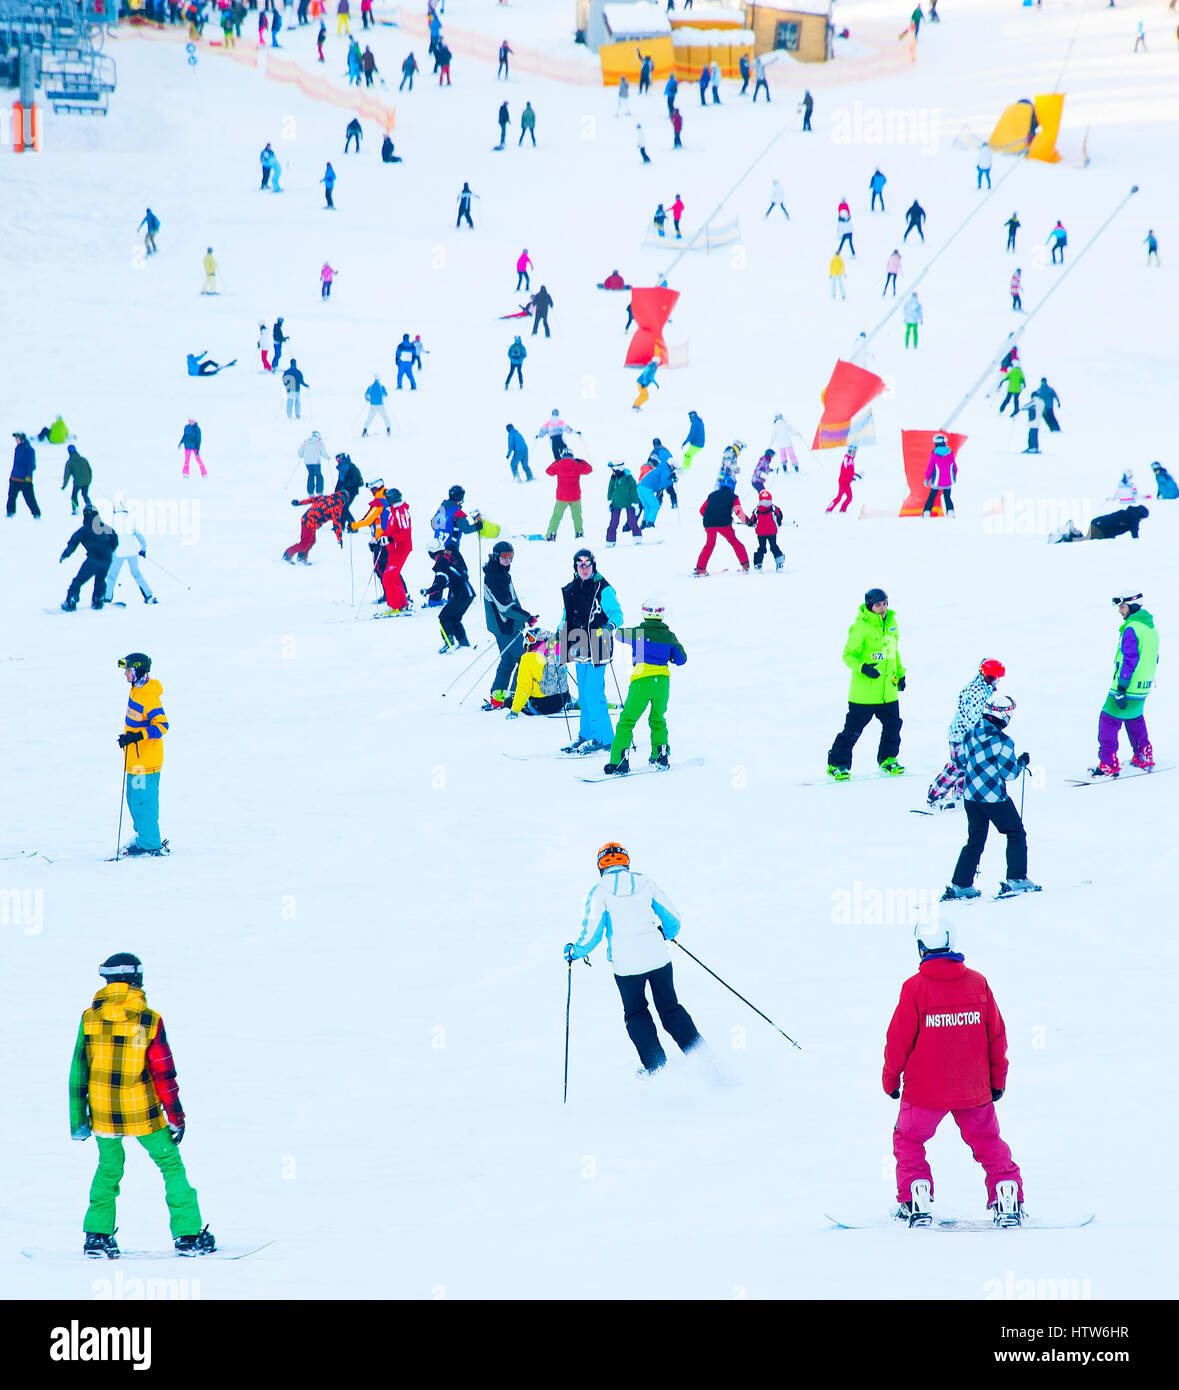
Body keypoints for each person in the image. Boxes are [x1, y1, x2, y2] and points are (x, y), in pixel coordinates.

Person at [71, 952, 214, 1258]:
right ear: (137, 980)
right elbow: (164, 1073)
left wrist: (78, 1120)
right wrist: (176, 1116)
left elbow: (78, 1070)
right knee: (171, 1166)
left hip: (103, 1112)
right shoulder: (149, 1020)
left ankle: (97, 1235)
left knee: (108, 1169)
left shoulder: (89, 1019)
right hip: (143, 1112)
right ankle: (188, 1236)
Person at [882, 924, 1024, 1227]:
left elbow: (898, 1041)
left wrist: (890, 1080)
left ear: (921, 948)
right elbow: (996, 1036)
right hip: (973, 1088)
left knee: (908, 1138)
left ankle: (915, 1194)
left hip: (924, 1091)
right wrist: (997, 1081)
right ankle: (1006, 1190)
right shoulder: (978, 983)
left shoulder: (915, 988)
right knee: (987, 1140)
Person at [565, 843, 703, 1078]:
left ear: (600, 866)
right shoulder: (645, 882)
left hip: (627, 967)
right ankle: (703, 1059)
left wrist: (574, 952)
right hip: (659, 959)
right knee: (671, 1008)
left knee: (637, 1013)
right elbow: (673, 919)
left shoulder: (599, 891)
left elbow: (592, 934)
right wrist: (665, 935)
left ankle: (656, 1068)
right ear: (626, 862)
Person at [943, 693, 1039, 897]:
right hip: (993, 798)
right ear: (1002, 716)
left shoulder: (969, 733)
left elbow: (960, 762)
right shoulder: (1003, 741)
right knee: (1015, 833)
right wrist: (1021, 762)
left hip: (971, 797)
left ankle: (961, 885)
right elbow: (1010, 773)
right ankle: (1017, 879)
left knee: (975, 840)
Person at [826, 588, 906, 779]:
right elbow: (848, 656)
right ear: (870, 605)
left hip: (888, 690)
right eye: (878, 604)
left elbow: (892, 653)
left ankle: (888, 759)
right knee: (853, 730)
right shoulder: (860, 627)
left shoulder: (892, 623)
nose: (883, 608)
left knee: (893, 725)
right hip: (864, 693)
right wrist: (863, 667)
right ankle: (837, 765)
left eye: (885, 603)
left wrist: (901, 674)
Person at [604, 602, 687, 773]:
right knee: (658, 719)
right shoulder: (669, 636)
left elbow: (619, 634)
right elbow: (681, 659)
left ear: (644, 614)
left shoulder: (637, 633)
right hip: (662, 683)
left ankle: (620, 760)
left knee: (627, 721)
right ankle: (661, 754)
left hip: (641, 682)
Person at [1092, 591, 1158, 776]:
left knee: (1108, 720)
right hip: (1143, 686)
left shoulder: (1132, 628)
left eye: (1122, 607)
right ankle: (1143, 754)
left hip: (1126, 685)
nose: (1120, 611)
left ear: (1133, 605)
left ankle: (1108, 763)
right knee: (1134, 718)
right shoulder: (1150, 628)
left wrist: (1121, 686)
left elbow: (1130, 659)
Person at [926, 659, 1006, 811]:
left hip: (968, 736)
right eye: (996, 678)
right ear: (988, 676)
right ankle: (934, 796)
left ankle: (959, 794)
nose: (997, 682)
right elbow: (972, 719)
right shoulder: (977, 692)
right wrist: (981, 735)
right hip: (961, 736)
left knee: (969, 766)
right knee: (958, 766)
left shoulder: (984, 688)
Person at [115, 652, 169, 853]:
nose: (126, 675)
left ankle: (150, 844)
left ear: (137, 670)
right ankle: (144, 837)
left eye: (128, 670)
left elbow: (162, 725)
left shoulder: (148, 696)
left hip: (146, 764)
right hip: (136, 760)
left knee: (143, 802)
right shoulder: (137, 691)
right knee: (134, 800)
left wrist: (137, 737)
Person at [483, 540, 536, 708]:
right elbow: (505, 607)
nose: (507, 560)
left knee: (507, 660)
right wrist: (525, 617)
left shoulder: (500, 572)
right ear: (496, 556)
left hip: (505, 625)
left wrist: (522, 618)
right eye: (504, 557)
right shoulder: (494, 577)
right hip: (504, 626)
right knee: (523, 659)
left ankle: (497, 698)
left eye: (510, 556)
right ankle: (514, 698)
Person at [352, 482, 412, 612]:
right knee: (392, 576)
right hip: (393, 549)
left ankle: (395, 606)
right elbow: (389, 531)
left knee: (388, 577)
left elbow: (404, 533)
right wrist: (378, 541)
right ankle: (402, 604)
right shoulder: (393, 511)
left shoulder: (401, 512)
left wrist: (389, 539)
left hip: (401, 549)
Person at [424, 538, 476, 653]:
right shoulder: (450, 557)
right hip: (467, 593)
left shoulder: (441, 562)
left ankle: (449, 643)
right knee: (455, 618)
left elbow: (441, 582)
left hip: (461, 595)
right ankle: (464, 644)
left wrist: (428, 591)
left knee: (444, 617)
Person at [59, 507, 117, 611]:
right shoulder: (106, 527)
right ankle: (98, 600)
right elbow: (115, 540)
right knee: (100, 580)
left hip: (94, 559)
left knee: (78, 580)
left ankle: (71, 601)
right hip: (107, 559)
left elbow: (73, 543)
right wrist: (108, 552)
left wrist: (65, 554)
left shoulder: (84, 530)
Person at [695, 478, 749, 576]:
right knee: (735, 542)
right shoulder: (733, 497)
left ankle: (700, 569)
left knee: (709, 545)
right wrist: (748, 521)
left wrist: (712, 516)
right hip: (724, 524)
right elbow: (739, 512)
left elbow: (702, 510)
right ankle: (745, 565)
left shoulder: (712, 495)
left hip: (709, 523)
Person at [105, 507, 156, 605]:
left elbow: (108, 540)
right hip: (132, 552)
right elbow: (140, 538)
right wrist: (143, 550)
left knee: (112, 576)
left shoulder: (112, 523)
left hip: (118, 553)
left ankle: (107, 598)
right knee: (136, 573)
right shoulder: (130, 523)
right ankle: (149, 596)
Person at [284, 490, 345, 563]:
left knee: (311, 541)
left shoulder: (326, 497)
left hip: (308, 519)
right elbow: (337, 524)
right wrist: (339, 538)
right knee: (305, 543)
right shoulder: (336, 507)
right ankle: (287, 555)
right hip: (310, 523)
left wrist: (299, 503)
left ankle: (301, 557)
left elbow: (311, 500)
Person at [544, 448, 592, 540]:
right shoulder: (577, 465)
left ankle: (551, 535)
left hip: (562, 497)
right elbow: (589, 469)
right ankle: (579, 534)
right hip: (575, 496)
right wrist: (581, 461)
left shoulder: (559, 464)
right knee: (577, 517)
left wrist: (556, 461)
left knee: (556, 516)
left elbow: (548, 471)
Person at [636, 446, 674, 529]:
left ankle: (644, 524)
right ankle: (650, 525)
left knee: (648, 507)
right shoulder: (665, 469)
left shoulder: (661, 468)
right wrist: (671, 480)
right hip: (646, 488)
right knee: (655, 506)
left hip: (640, 487)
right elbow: (663, 483)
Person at [605, 461, 643, 546]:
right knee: (614, 522)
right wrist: (609, 501)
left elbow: (634, 491)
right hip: (616, 503)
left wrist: (636, 504)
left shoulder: (629, 478)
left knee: (632, 521)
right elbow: (610, 489)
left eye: (614, 469)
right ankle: (610, 540)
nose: (613, 472)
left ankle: (637, 537)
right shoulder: (613, 477)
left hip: (629, 503)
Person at [747, 490, 785, 571]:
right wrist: (779, 522)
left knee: (761, 548)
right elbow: (780, 516)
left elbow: (753, 520)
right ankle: (780, 563)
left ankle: (758, 565)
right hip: (772, 532)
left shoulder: (757, 510)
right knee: (773, 546)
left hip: (761, 533)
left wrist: (750, 523)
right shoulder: (774, 508)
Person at [922, 432, 957, 516]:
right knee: (947, 497)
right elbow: (954, 467)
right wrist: (954, 477)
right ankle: (950, 511)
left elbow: (930, 467)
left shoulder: (934, 454)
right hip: (948, 481)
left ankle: (926, 512)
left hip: (937, 481)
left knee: (932, 497)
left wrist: (927, 478)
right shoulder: (950, 453)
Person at [1085, 504, 1149, 541]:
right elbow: (1134, 530)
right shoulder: (1134, 516)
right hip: (1102, 528)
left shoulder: (1128, 513)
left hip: (1099, 523)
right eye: (1143, 518)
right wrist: (1137, 542)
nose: (1141, 520)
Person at [826, 447, 859, 513]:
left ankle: (842, 510)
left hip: (847, 482)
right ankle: (829, 509)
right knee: (839, 497)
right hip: (843, 482)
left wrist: (854, 475)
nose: (855, 453)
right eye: (853, 452)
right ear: (850, 451)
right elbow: (845, 470)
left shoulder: (851, 459)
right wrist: (851, 476)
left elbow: (850, 471)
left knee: (849, 497)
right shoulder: (847, 459)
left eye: (855, 452)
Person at [61, 444, 92, 515]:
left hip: (78, 483)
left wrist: (64, 486)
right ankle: (90, 507)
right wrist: (89, 479)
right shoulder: (83, 459)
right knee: (85, 494)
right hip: (87, 481)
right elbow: (89, 470)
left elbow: (67, 475)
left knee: (73, 496)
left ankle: (75, 509)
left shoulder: (69, 462)